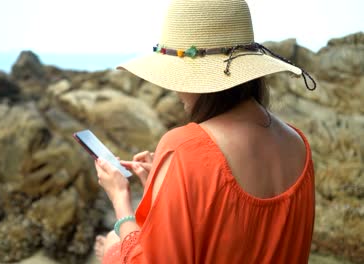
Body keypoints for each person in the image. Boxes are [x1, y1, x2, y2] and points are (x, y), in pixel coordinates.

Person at [93, 0, 316, 263]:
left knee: (112, 240)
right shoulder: (298, 144)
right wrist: (169, 183)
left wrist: (120, 210)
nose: (175, 91)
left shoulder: (186, 148)